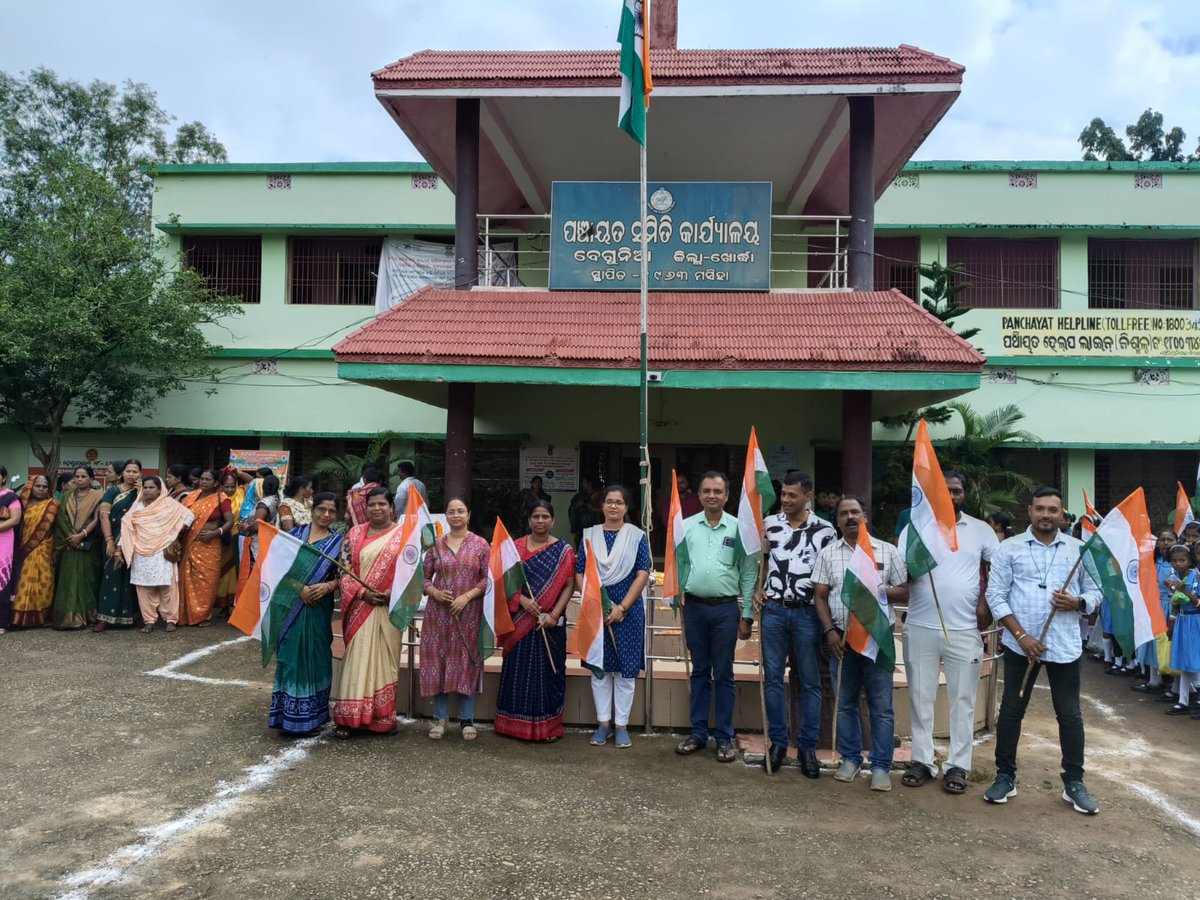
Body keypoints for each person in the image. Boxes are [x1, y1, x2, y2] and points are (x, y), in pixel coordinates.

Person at [984, 486, 1102, 815]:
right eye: (1040, 509)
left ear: (1062, 514)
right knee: (1011, 712)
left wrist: (1078, 602)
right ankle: (1005, 776)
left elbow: (1096, 592)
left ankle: (1074, 783)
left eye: (1053, 510)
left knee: (1070, 715)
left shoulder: (1079, 550)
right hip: (1021, 646)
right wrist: (1021, 636)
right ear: (1030, 511)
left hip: (1064, 646)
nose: (1046, 515)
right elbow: (996, 596)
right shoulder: (1009, 548)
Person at [899, 471, 999, 795]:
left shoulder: (981, 531)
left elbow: (998, 568)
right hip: (920, 625)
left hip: (965, 628)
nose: (950, 496)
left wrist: (986, 601)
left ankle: (958, 765)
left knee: (962, 700)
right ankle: (922, 760)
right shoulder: (915, 531)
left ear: (964, 495)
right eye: (944, 491)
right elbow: (899, 571)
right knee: (920, 697)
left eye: (956, 491)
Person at [813, 496, 909, 792]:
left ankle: (881, 765)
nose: (850, 517)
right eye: (844, 513)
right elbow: (819, 595)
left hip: (877, 638)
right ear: (838, 520)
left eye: (855, 512)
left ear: (864, 515)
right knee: (845, 704)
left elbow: (905, 590)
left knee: (881, 707)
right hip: (842, 639)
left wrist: (876, 591)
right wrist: (829, 630)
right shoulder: (828, 554)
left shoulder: (887, 551)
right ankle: (850, 758)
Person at [754, 470, 837, 777]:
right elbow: (761, 561)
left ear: (808, 497)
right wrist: (756, 589)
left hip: (807, 613)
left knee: (810, 681)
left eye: (792, 495)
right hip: (774, 610)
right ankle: (777, 742)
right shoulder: (770, 524)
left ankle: (807, 748)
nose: (786, 500)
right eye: (784, 495)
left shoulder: (825, 530)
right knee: (773, 678)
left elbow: (830, 573)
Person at [672, 472, 755, 763]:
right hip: (694, 608)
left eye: (717, 491)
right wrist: (675, 598)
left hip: (725, 610)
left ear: (727, 495)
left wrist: (747, 614)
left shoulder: (739, 528)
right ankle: (697, 732)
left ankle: (724, 735)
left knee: (723, 673)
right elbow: (678, 564)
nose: (712, 496)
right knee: (699, 671)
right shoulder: (685, 527)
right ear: (699, 494)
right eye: (706, 490)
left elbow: (747, 572)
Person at [495, 499, 576, 742]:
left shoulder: (564, 551)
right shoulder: (515, 548)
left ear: (553, 521)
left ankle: (548, 729)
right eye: (536, 516)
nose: (540, 521)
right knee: (517, 674)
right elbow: (504, 582)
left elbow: (569, 585)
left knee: (548, 675)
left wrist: (554, 615)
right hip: (519, 622)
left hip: (548, 625)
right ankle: (511, 725)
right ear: (529, 520)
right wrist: (522, 601)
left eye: (545, 517)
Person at [578, 485, 651, 750]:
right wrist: (594, 602)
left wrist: (622, 607)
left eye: (619, 502)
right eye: (609, 501)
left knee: (624, 672)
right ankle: (603, 724)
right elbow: (579, 572)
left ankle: (621, 726)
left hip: (628, 612)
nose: (613, 506)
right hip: (595, 610)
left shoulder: (637, 536)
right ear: (602, 506)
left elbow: (642, 573)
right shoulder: (589, 536)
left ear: (626, 507)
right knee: (600, 669)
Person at [333, 487, 405, 737]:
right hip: (360, 608)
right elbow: (344, 571)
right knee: (357, 659)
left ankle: (382, 718)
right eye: (372, 504)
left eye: (382, 504)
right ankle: (349, 719)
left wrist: (390, 594)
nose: (377, 509)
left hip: (388, 609)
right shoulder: (353, 534)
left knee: (385, 661)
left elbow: (413, 575)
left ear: (392, 508)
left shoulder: (404, 536)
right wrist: (364, 593)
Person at [271, 492, 343, 736]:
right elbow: (277, 568)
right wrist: (298, 588)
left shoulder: (338, 544)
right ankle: (286, 716)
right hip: (292, 607)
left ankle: (315, 717)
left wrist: (328, 586)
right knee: (290, 659)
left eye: (331, 512)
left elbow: (345, 578)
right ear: (312, 510)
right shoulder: (293, 537)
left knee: (317, 657)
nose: (325, 515)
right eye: (321, 509)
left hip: (318, 609)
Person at [421, 497, 490, 740]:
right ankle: (440, 719)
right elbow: (423, 579)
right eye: (451, 511)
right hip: (438, 615)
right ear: (446, 516)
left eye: (461, 511)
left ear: (469, 515)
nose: (456, 515)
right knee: (438, 662)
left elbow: (486, 580)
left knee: (466, 662)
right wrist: (436, 593)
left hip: (468, 614)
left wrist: (467, 597)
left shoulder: (481, 545)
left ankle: (466, 719)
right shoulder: (435, 546)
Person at [120, 476, 194, 633]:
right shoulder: (137, 507)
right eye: (145, 487)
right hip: (141, 551)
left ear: (160, 490)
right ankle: (149, 621)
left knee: (167, 586)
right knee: (144, 588)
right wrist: (120, 548)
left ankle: (171, 620)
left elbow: (189, 516)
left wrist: (176, 532)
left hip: (162, 550)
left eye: (151, 487)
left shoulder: (169, 504)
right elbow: (127, 527)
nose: (147, 490)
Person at [179, 468, 234, 626]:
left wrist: (216, 533)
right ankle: (186, 615)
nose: (203, 481)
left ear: (216, 482)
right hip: (189, 543)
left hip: (210, 545)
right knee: (187, 579)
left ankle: (203, 616)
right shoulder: (191, 497)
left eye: (207, 479)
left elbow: (229, 521)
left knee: (206, 581)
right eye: (202, 479)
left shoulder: (220, 498)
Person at [52, 466, 104, 630]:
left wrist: (81, 535)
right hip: (70, 544)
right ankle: (67, 618)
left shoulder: (99, 496)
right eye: (77, 477)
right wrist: (72, 537)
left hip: (89, 544)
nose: (80, 479)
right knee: (68, 580)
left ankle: (88, 616)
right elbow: (61, 518)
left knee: (88, 580)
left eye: (83, 476)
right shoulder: (67, 496)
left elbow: (97, 519)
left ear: (91, 478)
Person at [95, 459, 143, 631]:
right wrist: (109, 540)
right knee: (111, 576)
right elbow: (103, 516)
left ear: (140, 474)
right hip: (112, 538)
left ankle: (134, 616)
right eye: (128, 471)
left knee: (133, 577)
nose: (131, 475)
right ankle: (105, 618)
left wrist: (140, 494)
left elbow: (146, 515)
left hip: (134, 541)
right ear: (122, 473)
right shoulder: (112, 491)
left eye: (135, 472)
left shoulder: (143, 493)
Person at [1133, 528, 1179, 694]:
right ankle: (1154, 680)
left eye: (1170, 540)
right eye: (1162, 540)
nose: (1165, 543)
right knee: (1151, 643)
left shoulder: (1178, 563)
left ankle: (1175, 685)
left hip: (1170, 608)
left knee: (1170, 644)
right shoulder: (1152, 561)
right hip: (1153, 607)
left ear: (1176, 542)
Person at [12, 475, 60, 628]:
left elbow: (58, 529)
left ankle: (41, 618)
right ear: (31, 487)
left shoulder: (53, 505)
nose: (41, 489)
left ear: (49, 489)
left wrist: (55, 551)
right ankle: (19, 618)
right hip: (23, 549)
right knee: (23, 581)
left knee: (44, 581)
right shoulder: (20, 504)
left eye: (44, 487)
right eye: (37, 486)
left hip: (45, 548)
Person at [1164, 544, 1200, 717]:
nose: (1178, 564)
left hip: (1196, 620)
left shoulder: (1197, 577)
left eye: (1182, 560)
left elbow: (1198, 602)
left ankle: (1194, 696)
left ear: (1190, 560)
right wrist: (1171, 622)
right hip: (1182, 620)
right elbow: (1175, 603)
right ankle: (1182, 700)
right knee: (1184, 659)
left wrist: (1182, 589)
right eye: (1175, 560)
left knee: (1195, 658)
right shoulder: (1174, 577)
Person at [215, 471, 244, 611]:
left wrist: (240, 472)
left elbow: (256, 481)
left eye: (233, 486)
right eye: (227, 487)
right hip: (220, 539)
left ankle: (233, 604)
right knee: (222, 571)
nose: (230, 490)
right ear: (221, 486)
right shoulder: (216, 499)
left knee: (234, 572)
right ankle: (221, 604)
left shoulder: (242, 493)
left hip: (237, 539)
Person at [0, 466, 24, 634]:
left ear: (3, 478)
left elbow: (14, 520)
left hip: (3, 541)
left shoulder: (10, 497)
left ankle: (2, 622)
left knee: (1, 581)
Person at [247, 474, 282, 561]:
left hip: (259, 543)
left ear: (263, 487)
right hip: (271, 540)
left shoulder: (264, 503)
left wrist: (246, 527)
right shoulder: (277, 500)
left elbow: (256, 526)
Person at [569, 475, 600, 546]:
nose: (582, 484)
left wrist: (588, 505)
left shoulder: (599, 495)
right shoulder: (581, 495)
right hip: (580, 527)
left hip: (594, 526)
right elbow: (574, 506)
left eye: (584, 482)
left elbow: (603, 510)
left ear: (590, 483)